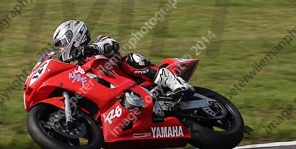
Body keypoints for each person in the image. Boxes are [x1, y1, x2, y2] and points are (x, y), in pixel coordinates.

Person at [52, 19, 194, 104]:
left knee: (131, 60)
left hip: (138, 84)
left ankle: (178, 85)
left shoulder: (99, 42)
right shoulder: (77, 69)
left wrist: (92, 49)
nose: (61, 49)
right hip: (116, 98)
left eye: (62, 44)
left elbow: (113, 45)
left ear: (74, 37)